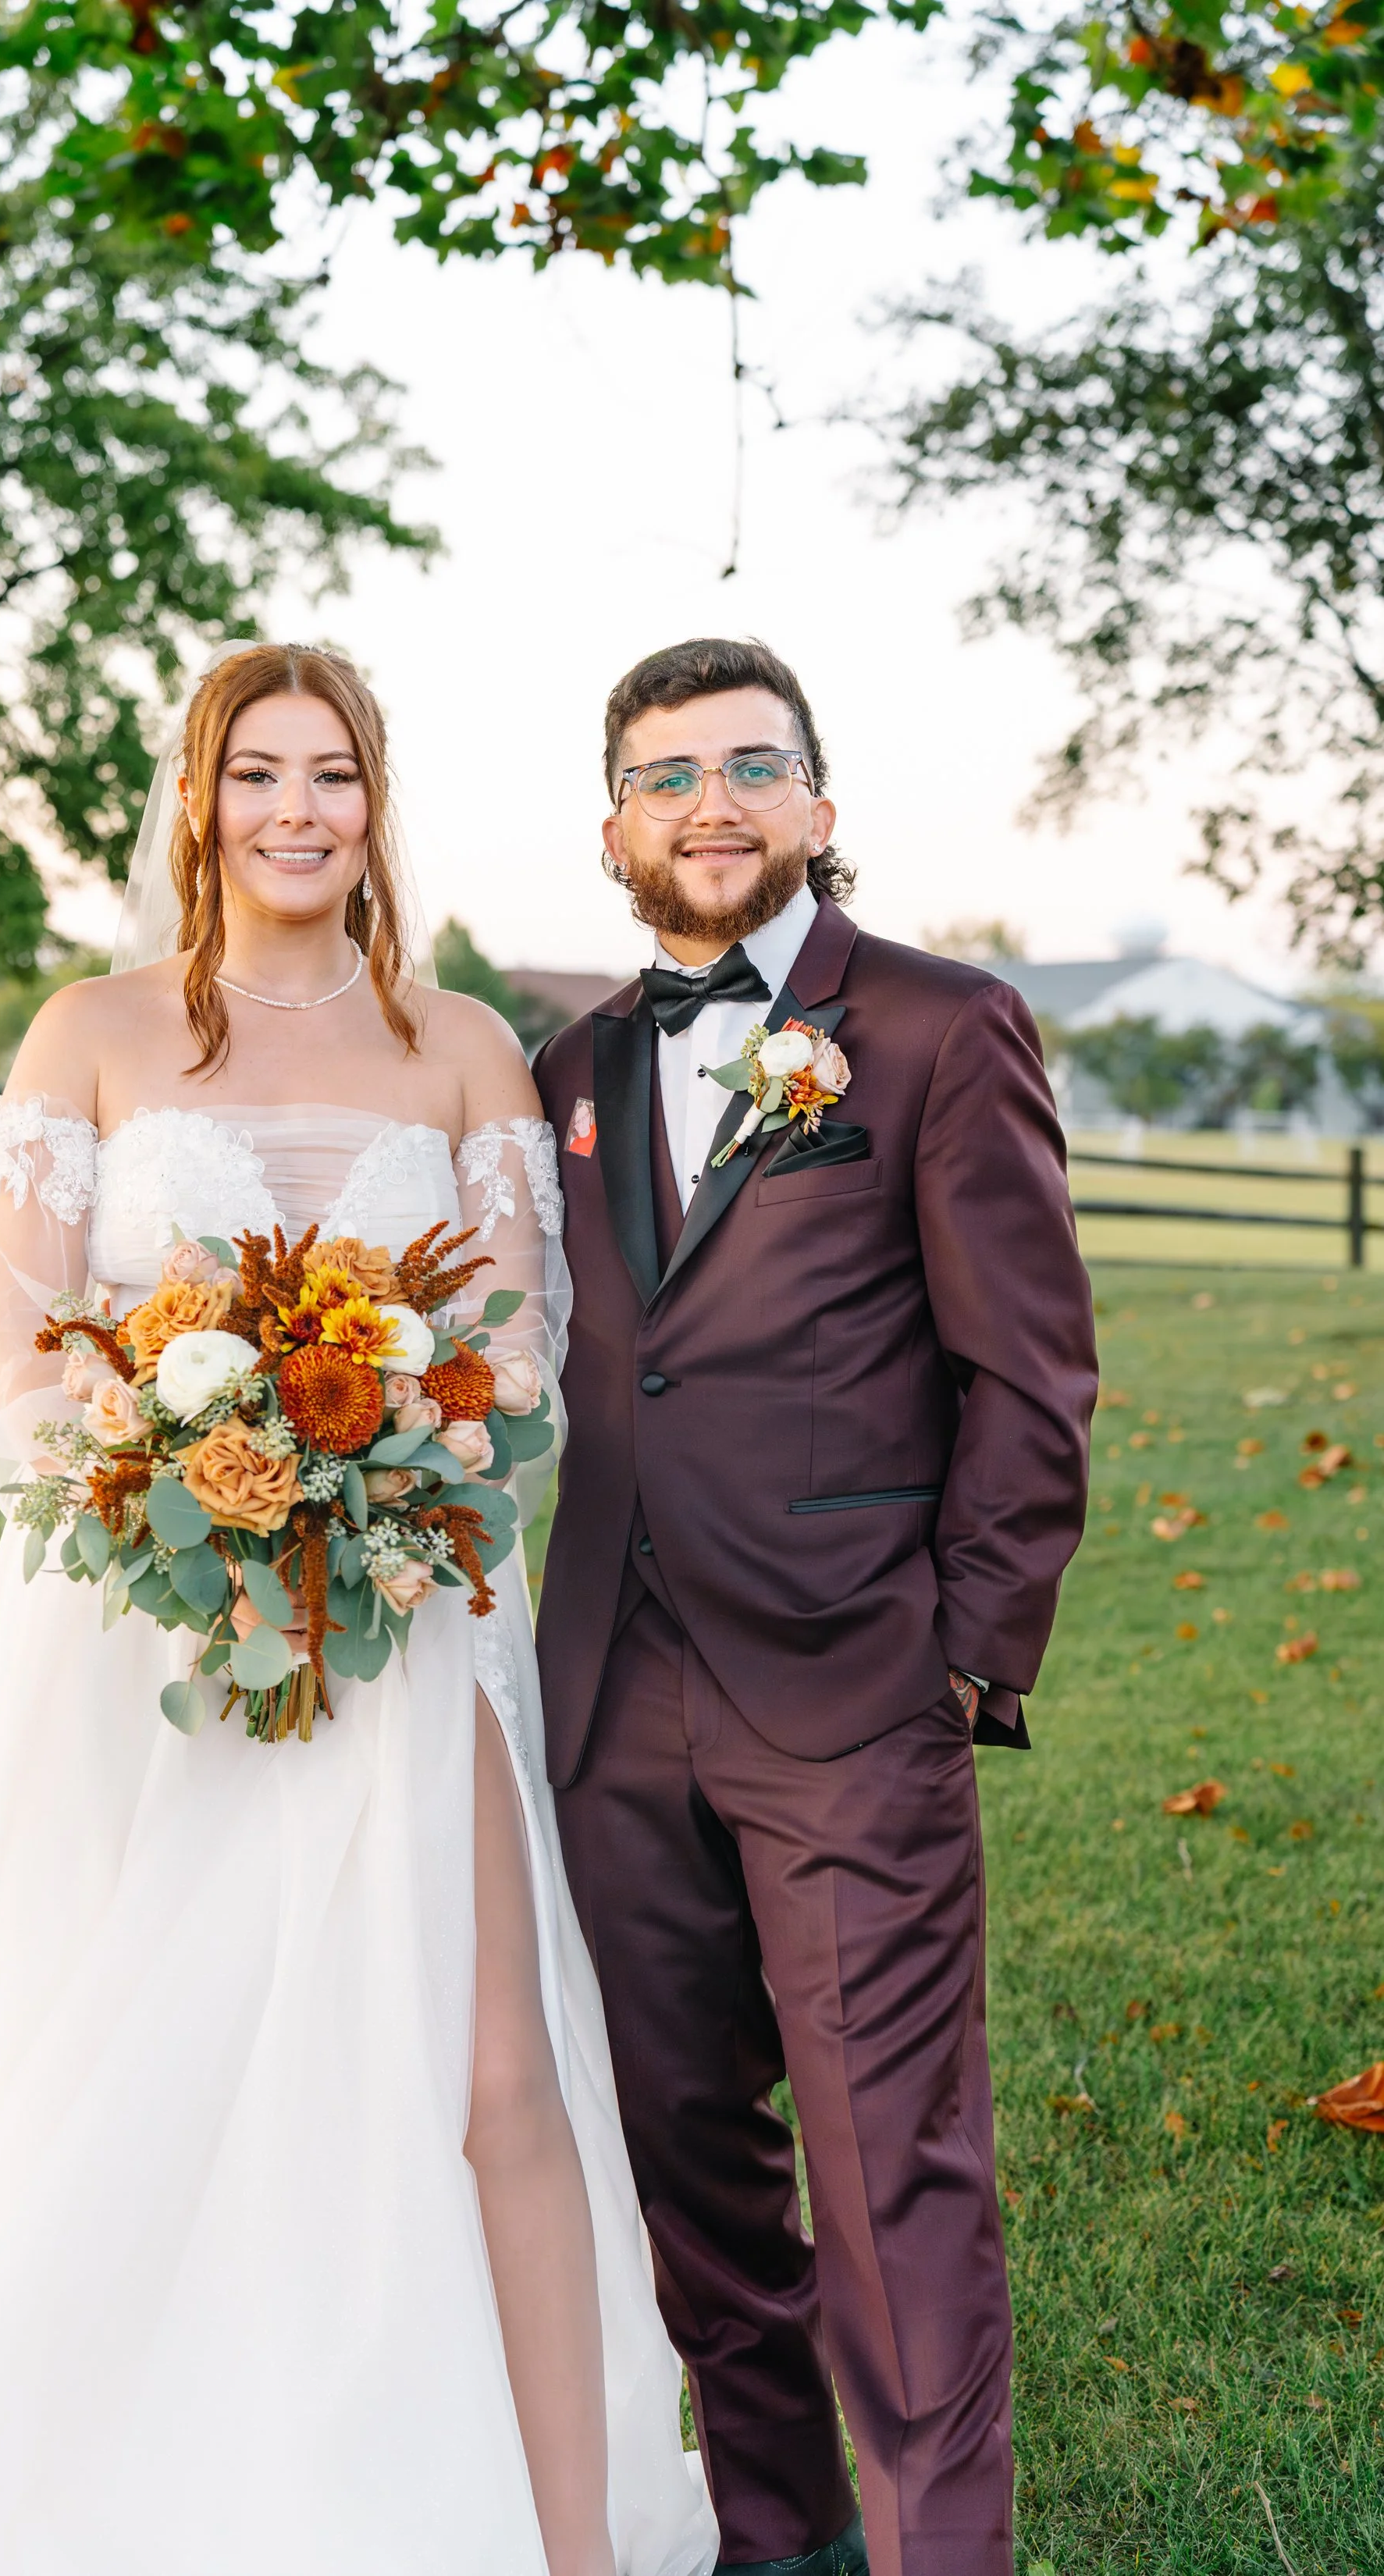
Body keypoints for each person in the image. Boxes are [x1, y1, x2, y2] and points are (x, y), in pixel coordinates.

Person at [0, 643, 717, 2576]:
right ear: (200, 800)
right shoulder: (94, 1031)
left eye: (333, 774)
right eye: (260, 775)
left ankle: (567, 2542)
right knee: (95, 2052)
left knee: (486, 2074)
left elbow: (517, 1362)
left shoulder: (465, 1045)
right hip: (129, 1632)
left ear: (374, 805)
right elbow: (22, 1357)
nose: (297, 810)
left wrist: (369, 1479)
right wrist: (192, 1478)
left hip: (407, 1619)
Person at [534, 637, 1099, 2576]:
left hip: (851, 1687)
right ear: (615, 826)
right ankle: (776, 2537)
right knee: (686, 2156)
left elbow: (1030, 1375)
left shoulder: (940, 1028)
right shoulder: (571, 1070)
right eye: (667, 774)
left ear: (819, 808)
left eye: (749, 767)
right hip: (608, 1699)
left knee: (890, 2178)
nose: (710, 803)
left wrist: (964, 1647)